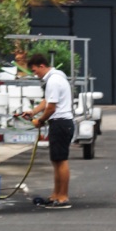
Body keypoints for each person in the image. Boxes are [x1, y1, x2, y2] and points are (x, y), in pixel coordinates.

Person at [21, 53, 76, 209]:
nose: (35, 74)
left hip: (60, 122)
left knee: (61, 160)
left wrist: (40, 120)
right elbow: (47, 100)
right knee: (56, 160)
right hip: (60, 123)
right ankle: (56, 195)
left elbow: (51, 107)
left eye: (35, 70)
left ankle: (63, 197)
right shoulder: (57, 78)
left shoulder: (53, 81)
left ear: (42, 66)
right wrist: (33, 112)